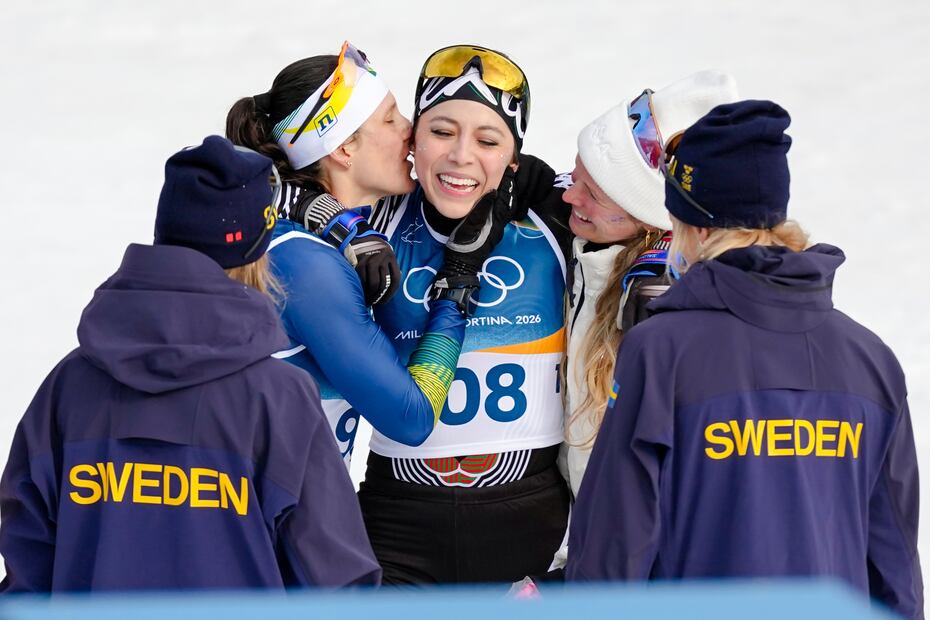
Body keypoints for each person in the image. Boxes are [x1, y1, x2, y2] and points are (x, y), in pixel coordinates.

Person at [565, 101, 924, 619]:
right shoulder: (871, 361)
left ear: (701, 231)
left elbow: (613, 548)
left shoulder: (661, 351)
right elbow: (895, 567)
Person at [0, 136, 380, 591]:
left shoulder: (69, 386)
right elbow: (337, 579)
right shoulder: (278, 397)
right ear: (258, 253)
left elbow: (26, 564)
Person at [226, 42, 513, 465]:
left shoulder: (300, 235)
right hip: (254, 521)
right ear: (344, 149)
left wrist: (335, 219)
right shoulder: (305, 264)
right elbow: (410, 419)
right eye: (390, 118)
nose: (410, 130)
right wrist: (457, 286)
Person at [360, 45, 572, 584]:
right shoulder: (376, 216)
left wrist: (653, 262)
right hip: (398, 521)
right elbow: (265, 179)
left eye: (488, 139)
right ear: (413, 141)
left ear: (513, 157)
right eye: (441, 131)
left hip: (530, 523)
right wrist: (333, 221)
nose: (460, 156)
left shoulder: (551, 217)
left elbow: (656, 203)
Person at [551, 71, 738, 571]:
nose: (571, 196)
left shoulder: (675, 297)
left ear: (648, 215)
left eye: (594, 193)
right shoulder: (589, 246)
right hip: (596, 548)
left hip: (654, 563)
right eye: (575, 176)